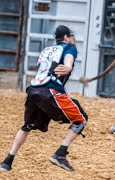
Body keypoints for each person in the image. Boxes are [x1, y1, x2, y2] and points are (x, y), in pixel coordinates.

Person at [0, 25, 88, 172]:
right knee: (81, 119)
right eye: (72, 36)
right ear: (66, 37)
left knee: (26, 126)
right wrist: (68, 67)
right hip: (50, 91)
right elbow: (68, 61)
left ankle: (7, 162)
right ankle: (60, 155)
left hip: (34, 90)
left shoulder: (46, 50)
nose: (74, 39)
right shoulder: (69, 48)